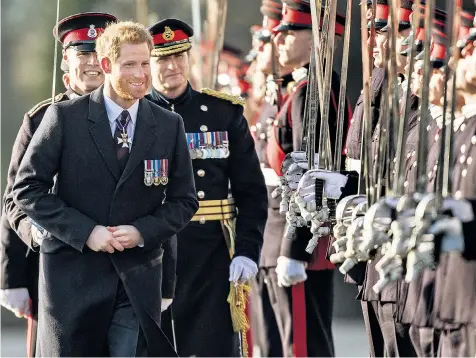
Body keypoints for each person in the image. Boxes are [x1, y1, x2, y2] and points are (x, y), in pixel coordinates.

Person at [12, 20, 198, 357]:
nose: (142, 74)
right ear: (107, 65)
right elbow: (27, 189)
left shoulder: (169, 124)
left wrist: (141, 231)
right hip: (73, 281)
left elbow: (184, 200)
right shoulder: (63, 118)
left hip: (137, 281)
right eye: (130, 64)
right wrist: (87, 232)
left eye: (145, 62)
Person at [146, 18, 268, 357]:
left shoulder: (222, 114)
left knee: (213, 347)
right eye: (162, 59)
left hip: (212, 253)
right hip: (154, 254)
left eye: (179, 56)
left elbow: (252, 193)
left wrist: (247, 249)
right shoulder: (136, 115)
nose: (172, 66)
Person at [0, 12, 117, 358]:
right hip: (56, 272)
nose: (93, 63)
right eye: (83, 54)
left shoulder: (134, 116)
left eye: (98, 53)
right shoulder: (40, 119)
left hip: (118, 269)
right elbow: (14, 201)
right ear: (66, 60)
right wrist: (14, 276)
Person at [267, 0, 352, 355]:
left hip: (305, 242)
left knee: (304, 345)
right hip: (300, 238)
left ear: (316, 37)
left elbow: (310, 176)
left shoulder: (313, 92)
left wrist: (294, 249)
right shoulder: (302, 89)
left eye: (290, 32)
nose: (278, 39)